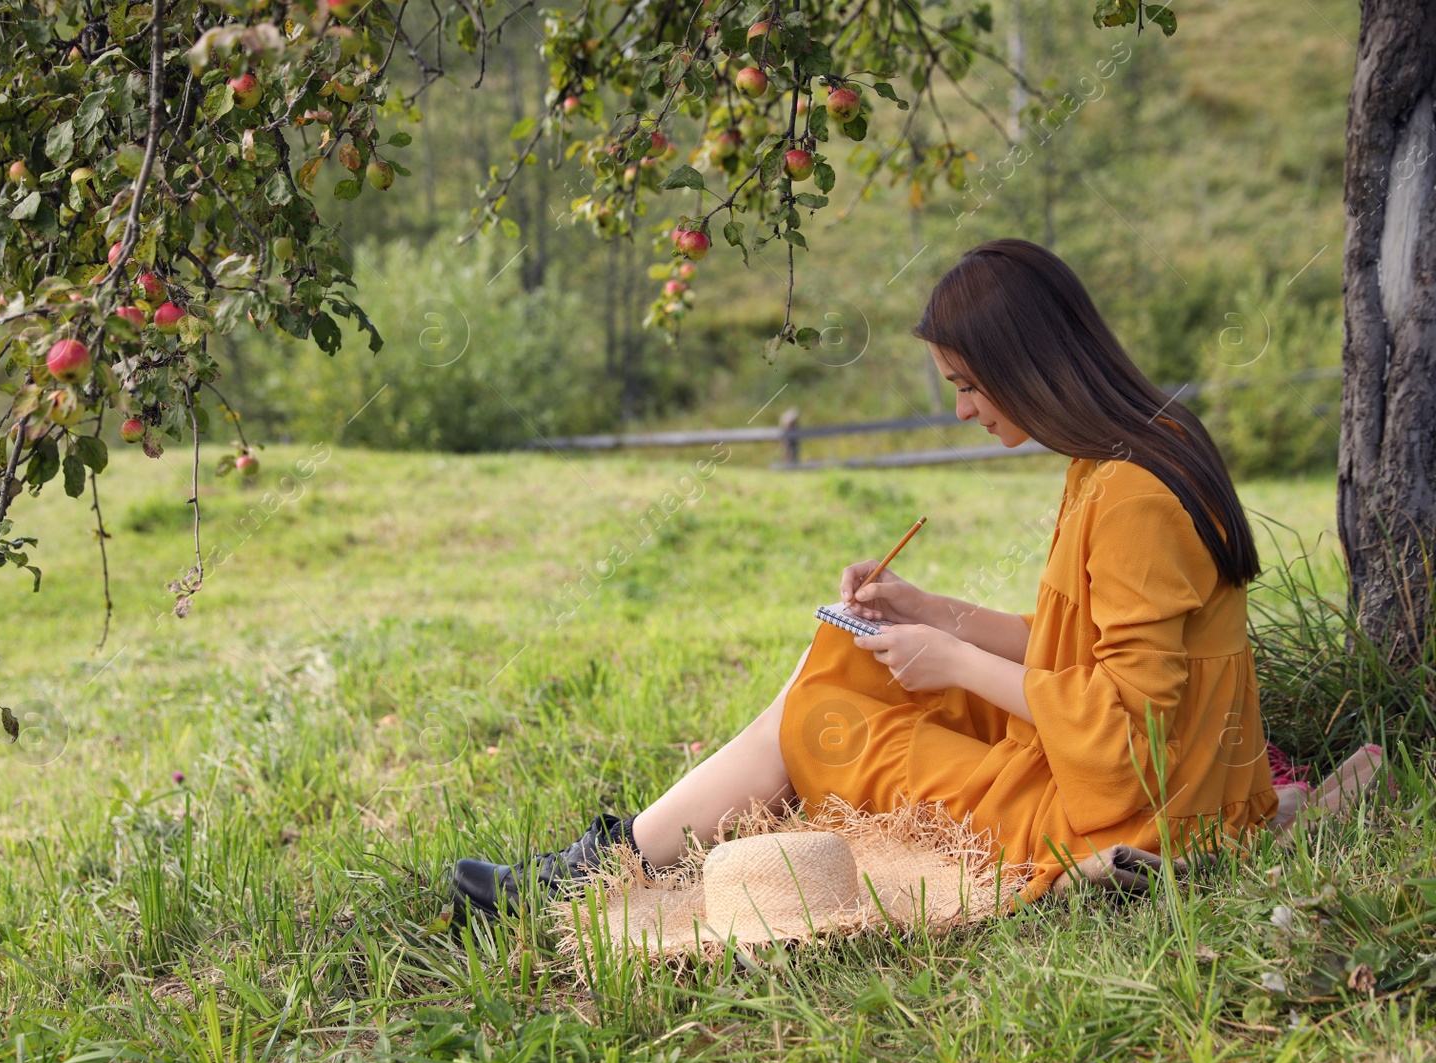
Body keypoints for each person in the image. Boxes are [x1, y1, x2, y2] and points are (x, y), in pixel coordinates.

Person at [449, 237, 1385, 918]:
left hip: (1120, 811)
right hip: (1152, 781)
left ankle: (591, 872)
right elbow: (1080, 652)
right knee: (843, 662)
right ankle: (605, 860)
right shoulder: (1130, 456)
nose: (963, 408)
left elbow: (1127, 730)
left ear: (1031, 364)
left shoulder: (1130, 493)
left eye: (970, 383)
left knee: (819, 713)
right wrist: (929, 612)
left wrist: (956, 664)